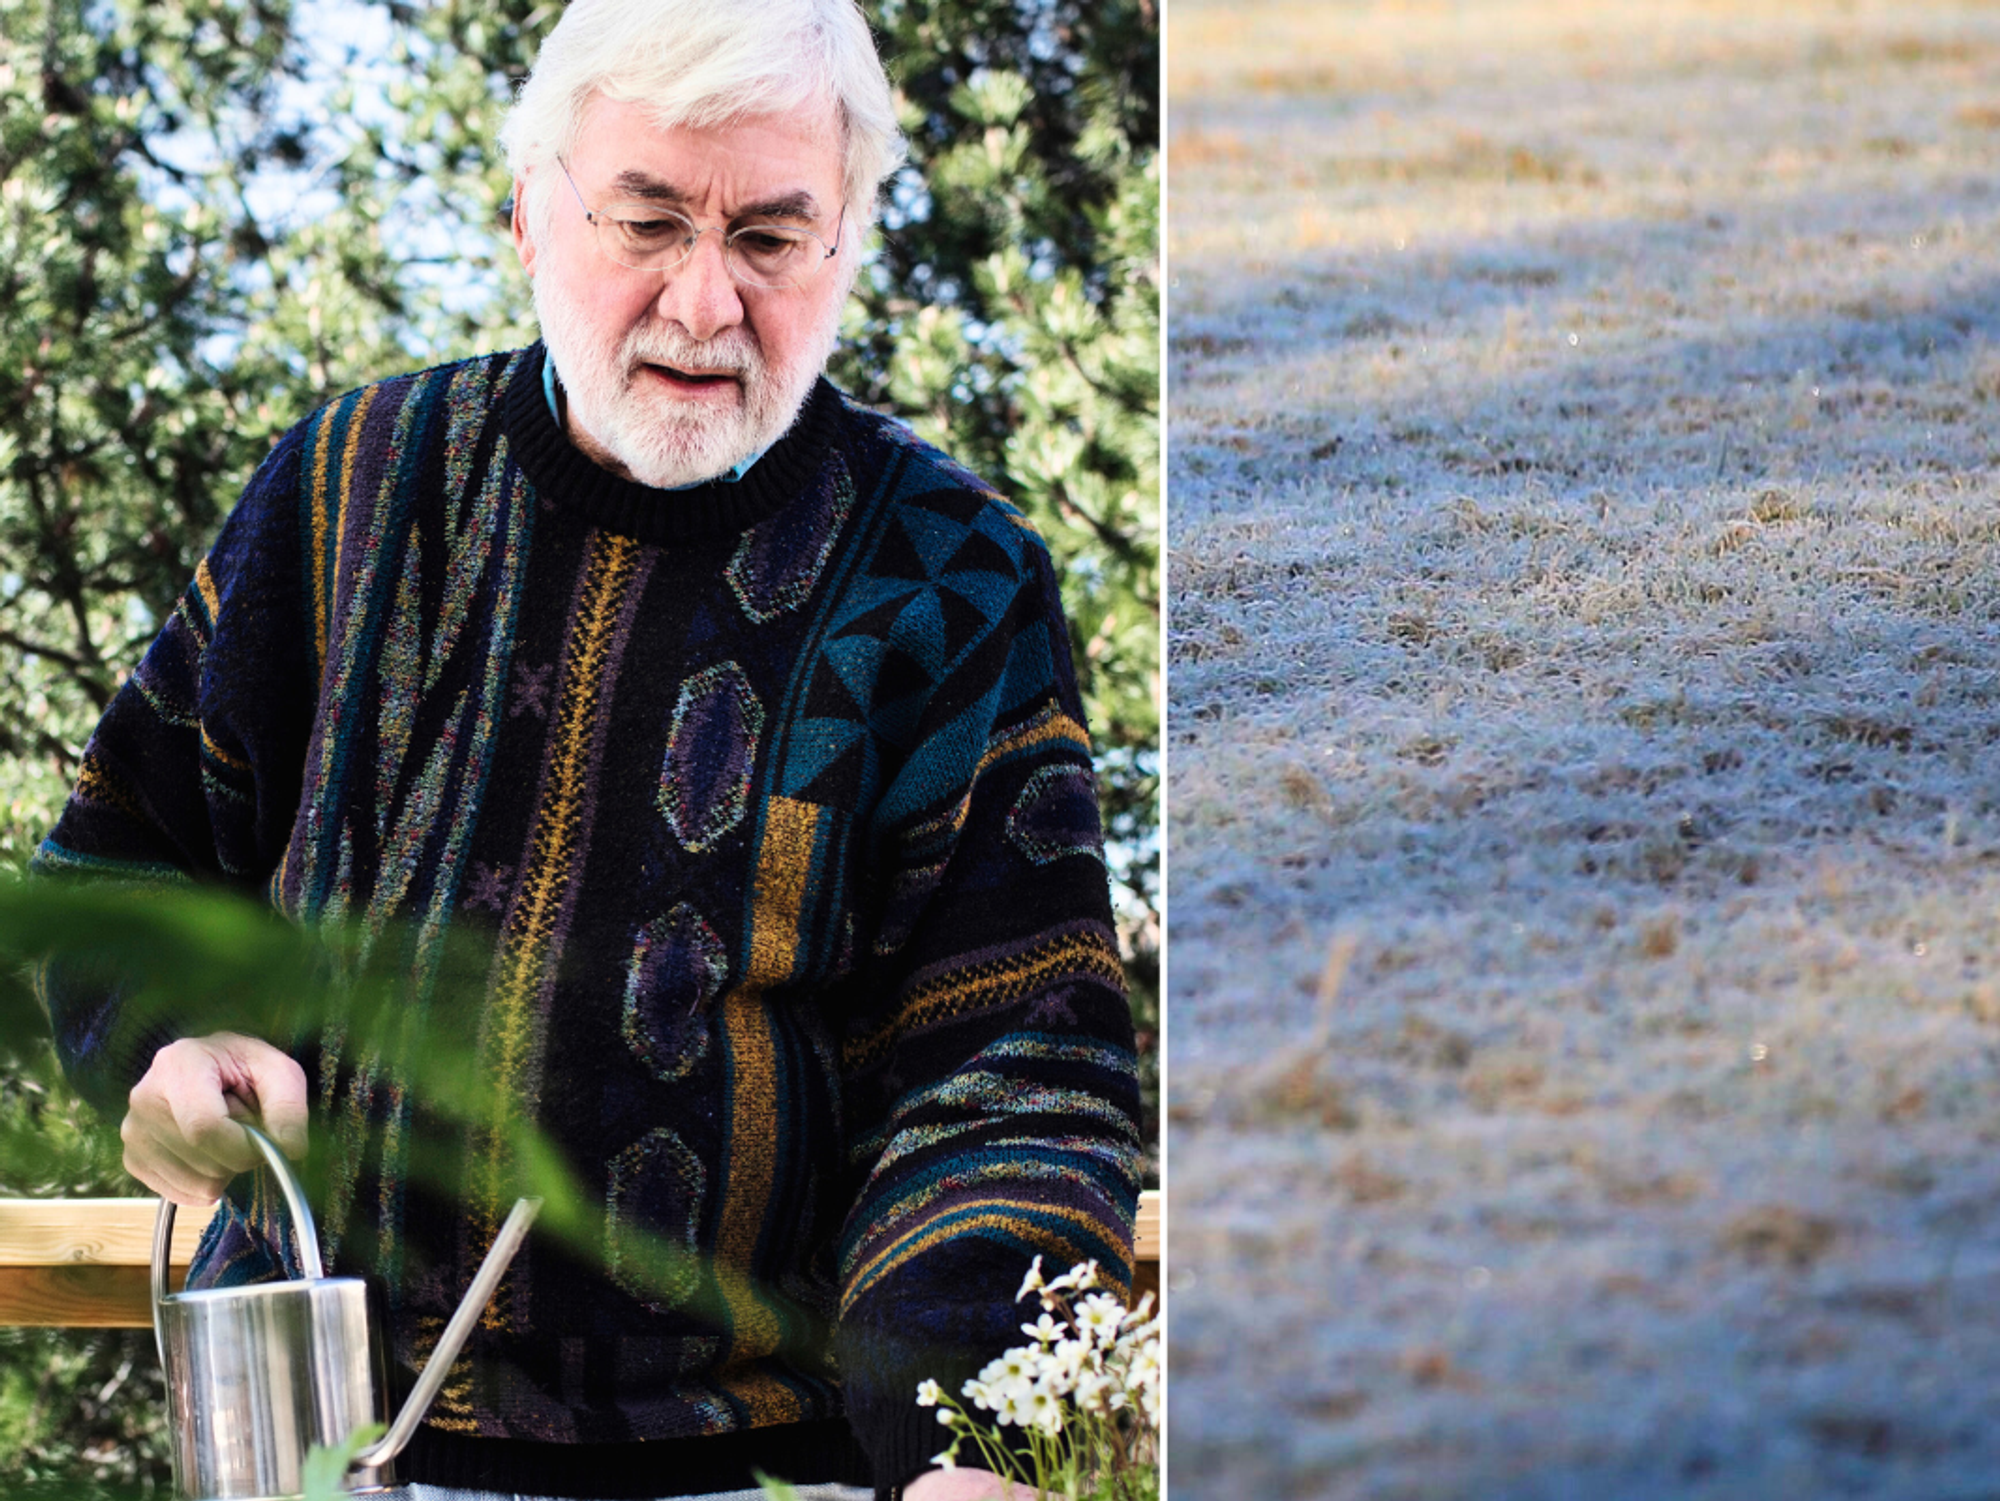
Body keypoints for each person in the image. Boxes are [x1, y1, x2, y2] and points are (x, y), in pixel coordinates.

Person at [32, 2, 1143, 1497]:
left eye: (769, 238)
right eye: (649, 219)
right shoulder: (350, 487)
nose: (702, 301)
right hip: (320, 1440)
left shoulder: (953, 577)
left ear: (850, 246)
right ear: (529, 214)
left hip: (758, 1460)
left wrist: (965, 1439)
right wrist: (182, 1037)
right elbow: (116, 867)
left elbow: (1011, 1067)